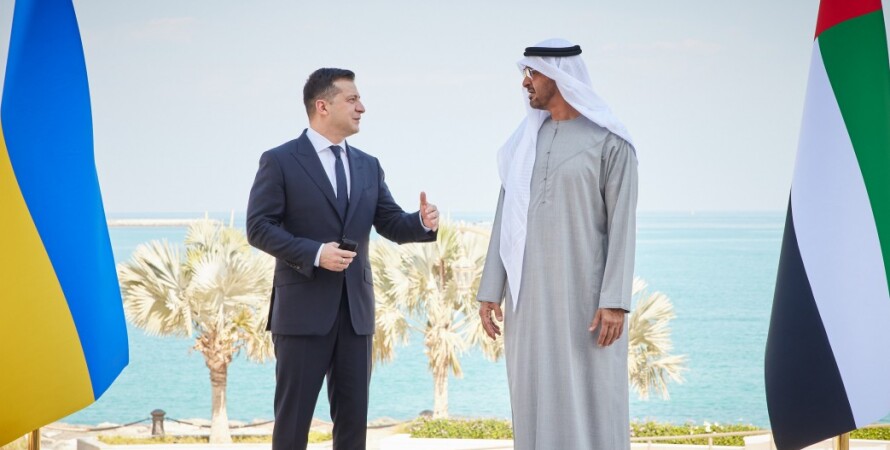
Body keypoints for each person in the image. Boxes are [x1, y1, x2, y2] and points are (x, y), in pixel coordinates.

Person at [246, 68, 439, 450]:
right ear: (322, 106)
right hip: (301, 314)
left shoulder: (368, 165)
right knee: (292, 425)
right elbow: (258, 227)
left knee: (353, 426)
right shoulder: (280, 160)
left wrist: (421, 222)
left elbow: (390, 222)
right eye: (352, 99)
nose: (361, 107)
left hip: (356, 315)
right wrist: (316, 253)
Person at [476, 39, 639, 449]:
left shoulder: (610, 143)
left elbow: (623, 226)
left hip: (585, 299)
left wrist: (615, 301)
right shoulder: (522, 144)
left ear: (558, 75)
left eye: (531, 73)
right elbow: (505, 217)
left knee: (591, 390)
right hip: (527, 300)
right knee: (531, 389)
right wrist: (491, 290)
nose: (525, 83)